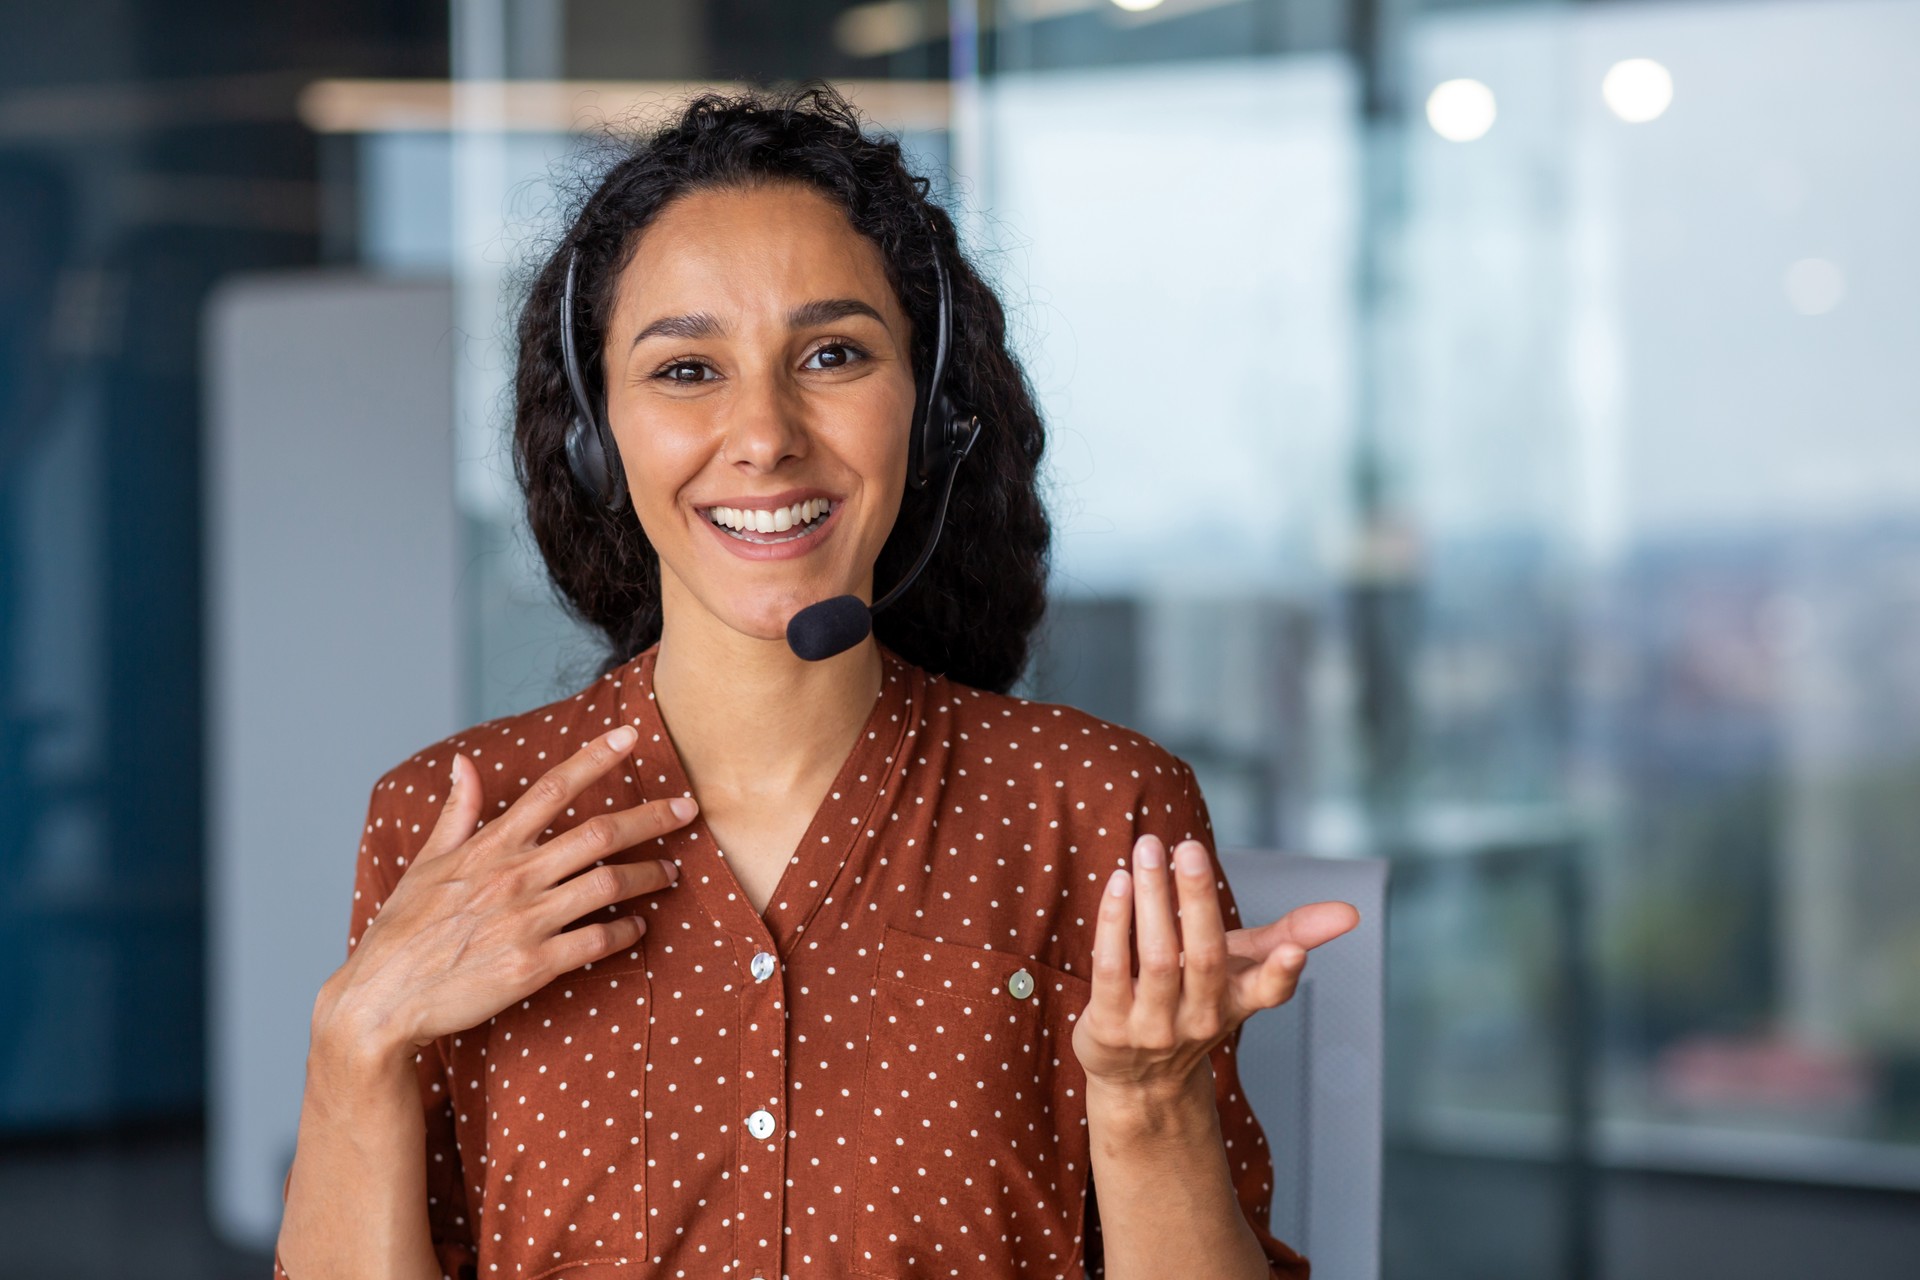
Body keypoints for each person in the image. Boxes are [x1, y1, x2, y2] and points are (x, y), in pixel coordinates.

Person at [274, 83, 1359, 1280]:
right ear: (597, 435)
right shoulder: (451, 818)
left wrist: (1151, 1106)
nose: (765, 432)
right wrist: (353, 1043)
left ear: (932, 412)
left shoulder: (1096, 813)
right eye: (687, 368)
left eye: (833, 354)